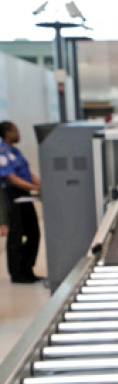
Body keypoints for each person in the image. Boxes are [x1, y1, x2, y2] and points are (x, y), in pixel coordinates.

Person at [0, 121, 42, 283]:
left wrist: (41, 186)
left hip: (24, 193)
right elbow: (11, 178)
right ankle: (17, 274)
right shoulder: (2, 153)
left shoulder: (16, 152)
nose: (19, 134)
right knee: (16, 235)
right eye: (16, 131)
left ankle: (27, 269)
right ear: (7, 133)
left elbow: (27, 173)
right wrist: (33, 187)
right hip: (12, 196)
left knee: (33, 233)